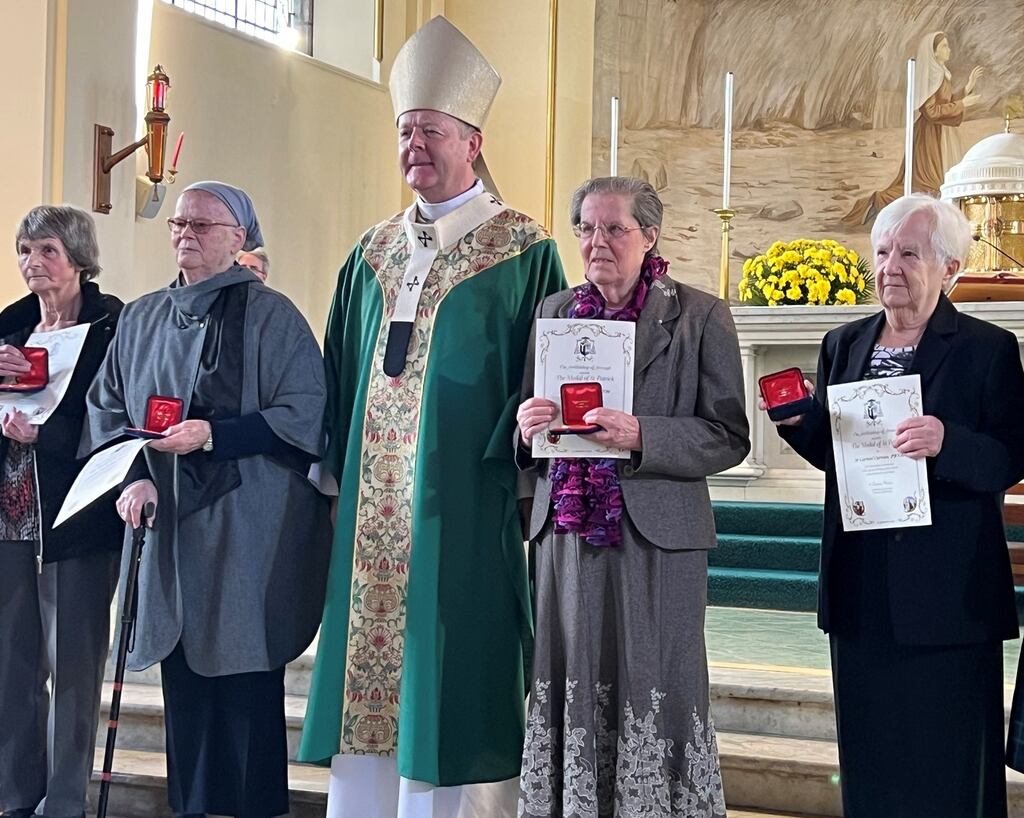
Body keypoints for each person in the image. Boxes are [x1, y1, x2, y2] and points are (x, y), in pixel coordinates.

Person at [297, 15, 567, 818]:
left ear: (473, 141)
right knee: (366, 684)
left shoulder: (524, 249)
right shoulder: (371, 249)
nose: (414, 143)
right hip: (371, 511)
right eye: (406, 131)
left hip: (466, 502)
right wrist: (334, 479)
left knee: (451, 670)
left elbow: (538, 373)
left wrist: (517, 483)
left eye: (432, 131)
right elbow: (338, 370)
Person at [766, 193, 1024, 816]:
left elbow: (1012, 457)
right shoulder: (843, 343)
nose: (889, 266)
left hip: (949, 594)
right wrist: (799, 423)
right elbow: (843, 458)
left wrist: (948, 441)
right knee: (871, 753)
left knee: (951, 759)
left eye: (909, 252)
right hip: (862, 587)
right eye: (882, 251)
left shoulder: (986, 348)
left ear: (950, 268)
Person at [80, 181, 331, 818]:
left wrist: (215, 433)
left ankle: (253, 807)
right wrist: (133, 474)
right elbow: (107, 409)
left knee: (245, 669)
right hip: (166, 521)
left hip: (248, 523)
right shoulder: (140, 318)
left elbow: (305, 412)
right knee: (183, 673)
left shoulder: (274, 317)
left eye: (203, 225)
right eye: (179, 223)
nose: (185, 233)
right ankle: (192, 805)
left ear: (239, 238)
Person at [514, 176, 748, 817]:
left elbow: (729, 436)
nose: (597, 242)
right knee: (571, 673)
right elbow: (531, 427)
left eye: (614, 228)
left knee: (656, 676)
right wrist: (526, 428)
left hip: (657, 539)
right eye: (586, 228)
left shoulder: (699, 315)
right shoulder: (555, 313)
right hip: (564, 532)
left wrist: (644, 433)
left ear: (650, 236)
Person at [0, 206, 123, 818]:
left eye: (46, 250)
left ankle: (65, 803)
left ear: (78, 257)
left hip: (77, 518)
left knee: (74, 670)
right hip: (9, 518)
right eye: (25, 251)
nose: (32, 263)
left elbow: (116, 422)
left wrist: (40, 438)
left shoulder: (113, 326)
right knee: (12, 667)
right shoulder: (10, 327)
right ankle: (16, 796)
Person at [844, 31, 983, 225]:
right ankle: (879, 202)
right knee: (926, 186)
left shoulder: (941, 74)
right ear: (933, 52)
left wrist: (967, 88)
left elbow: (946, 103)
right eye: (943, 46)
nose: (948, 49)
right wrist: (963, 104)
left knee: (933, 185)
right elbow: (931, 112)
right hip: (927, 137)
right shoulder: (932, 76)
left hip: (936, 134)